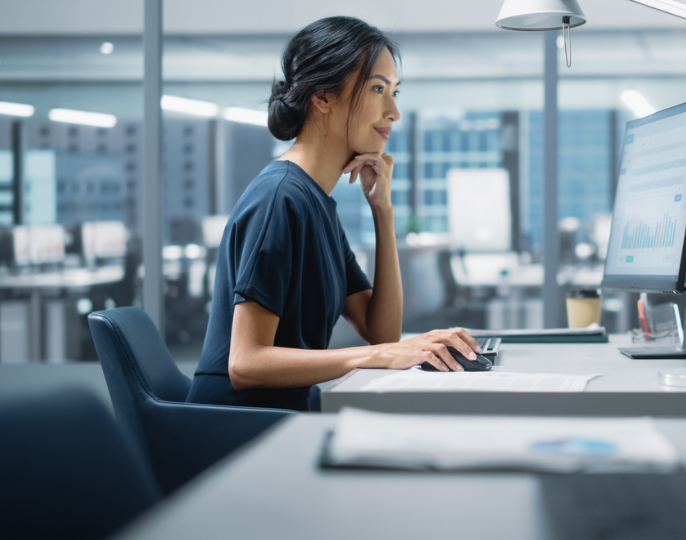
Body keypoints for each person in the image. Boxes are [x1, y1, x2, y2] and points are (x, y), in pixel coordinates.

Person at [187, 16, 482, 412]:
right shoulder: (280, 199)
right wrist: (372, 357)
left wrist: (383, 211)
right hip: (237, 427)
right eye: (378, 89)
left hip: (288, 414)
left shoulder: (316, 203)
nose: (393, 111)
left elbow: (382, 331)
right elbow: (246, 362)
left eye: (395, 92)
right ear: (323, 97)